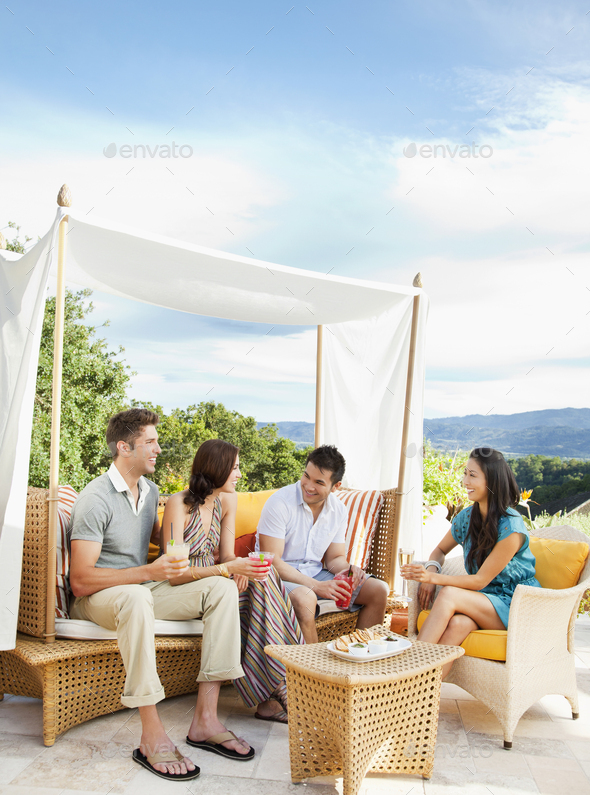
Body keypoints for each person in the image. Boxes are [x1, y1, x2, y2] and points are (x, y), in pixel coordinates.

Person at [69, 409, 253, 782]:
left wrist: (182, 541)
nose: (158, 449)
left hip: (141, 588)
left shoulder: (150, 490)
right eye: (150, 442)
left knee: (220, 588)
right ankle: (151, 734)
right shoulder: (95, 498)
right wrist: (150, 572)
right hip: (100, 598)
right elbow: (81, 581)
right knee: (136, 598)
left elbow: (161, 539)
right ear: (124, 447)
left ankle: (205, 719)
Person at [161, 439, 304, 725]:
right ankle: (282, 685)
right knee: (253, 591)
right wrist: (228, 569)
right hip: (187, 585)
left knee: (264, 576)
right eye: (235, 468)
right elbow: (175, 573)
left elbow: (226, 554)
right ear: (218, 468)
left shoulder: (228, 501)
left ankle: (277, 688)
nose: (239, 474)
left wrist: (240, 569)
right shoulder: (178, 504)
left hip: (217, 579)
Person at [401, 446, 541, 678]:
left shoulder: (512, 527)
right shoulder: (467, 518)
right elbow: (439, 551)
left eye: (472, 475)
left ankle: (405, 671)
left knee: (449, 594)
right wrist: (432, 567)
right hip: (483, 601)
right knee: (458, 626)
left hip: (515, 604)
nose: (465, 480)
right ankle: (421, 697)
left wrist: (432, 578)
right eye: (465, 473)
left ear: (492, 481)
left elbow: (479, 580)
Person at [257, 445, 389, 643]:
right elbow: (272, 561)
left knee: (378, 590)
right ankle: (314, 671)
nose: (309, 486)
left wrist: (350, 570)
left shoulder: (338, 510)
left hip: (315, 574)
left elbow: (335, 559)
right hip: (277, 577)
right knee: (306, 599)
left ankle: (363, 662)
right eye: (306, 476)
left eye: (318, 482)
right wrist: (317, 587)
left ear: (336, 486)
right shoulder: (279, 503)